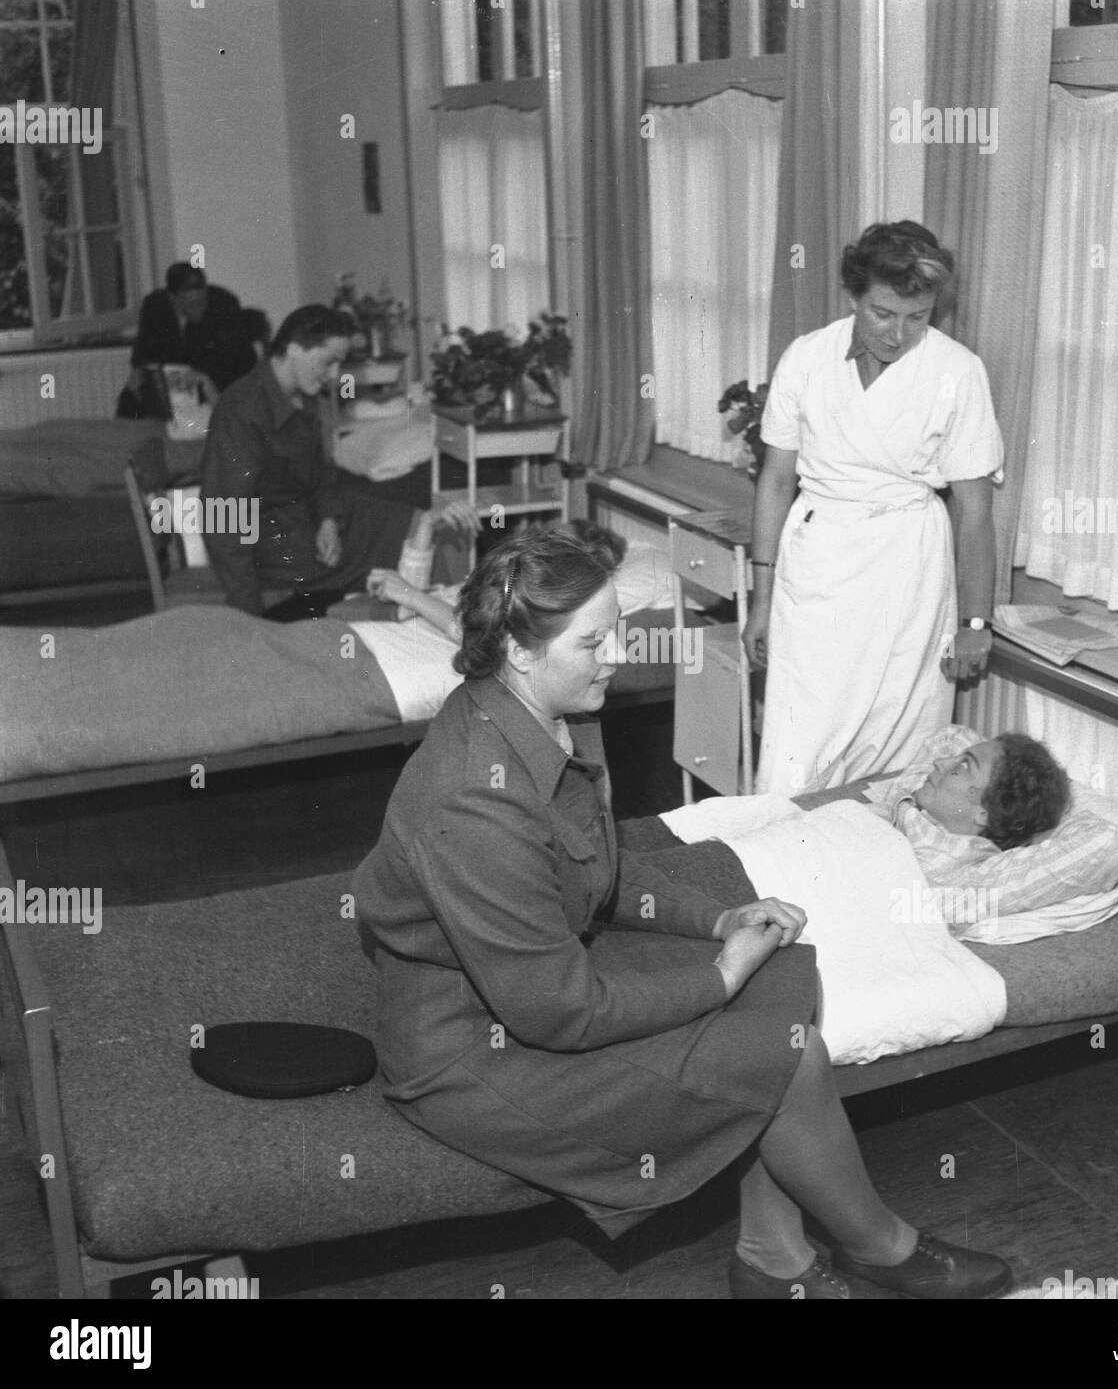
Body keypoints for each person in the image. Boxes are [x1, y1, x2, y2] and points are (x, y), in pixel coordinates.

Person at [352, 529, 1014, 1299]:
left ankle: (775, 1257)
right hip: (470, 1049)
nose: (619, 656)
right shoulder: (475, 795)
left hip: (530, 977)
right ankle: (874, 1250)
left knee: (785, 975)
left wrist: (717, 923)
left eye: (618, 632)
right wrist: (719, 977)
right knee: (782, 1046)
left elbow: (594, 870)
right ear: (521, 651)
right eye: (595, 640)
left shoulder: (555, 714)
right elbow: (559, 1013)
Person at [744, 221, 1004, 794]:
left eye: (917, 317)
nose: (899, 333)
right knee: (798, 742)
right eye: (883, 313)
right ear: (855, 296)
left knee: (897, 739)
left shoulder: (958, 372)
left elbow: (976, 513)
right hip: (817, 566)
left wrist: (976, 623)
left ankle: (871, 865)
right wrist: (760, 598)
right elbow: (776, 480)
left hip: (908, 568)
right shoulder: (807, 357)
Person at [623, 725, 1076, 930]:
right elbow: (949, 735)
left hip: (765, 878)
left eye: (962, 768)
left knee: (612, 887)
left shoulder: (962, 866)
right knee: (614, 860)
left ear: (984, 814)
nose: (941, 762)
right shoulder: (917, 804)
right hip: (762, 848)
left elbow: (1112, 848)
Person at [201, 304, 477, 619]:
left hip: (308, 522)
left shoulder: (307, 399)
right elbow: (222, 516)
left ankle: (434, 624)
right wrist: (247, 614)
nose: (334, 375)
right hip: (270, 545)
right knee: (407, 536)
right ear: (294, 349)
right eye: (329, 361)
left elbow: (322, 474)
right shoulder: (242, 408)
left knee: (417, 522)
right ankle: (427, 625)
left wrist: (329, 519)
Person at [117, 263, 260, 417]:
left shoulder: (223, 305)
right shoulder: (155, 306)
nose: (200, 309)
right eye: (193, 305)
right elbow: (143, 351)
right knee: (129, 398)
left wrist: (193, 378)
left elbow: (234, 362)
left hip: (210, 380)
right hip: (170, 379)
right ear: (173, 298)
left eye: (202, 302)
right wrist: (141, 372)